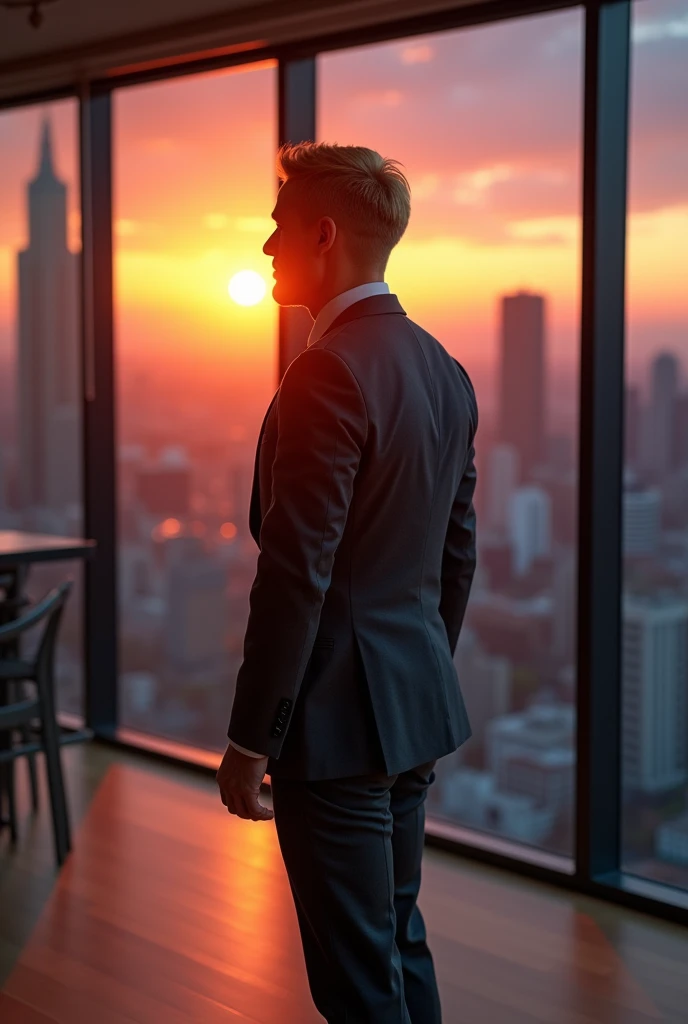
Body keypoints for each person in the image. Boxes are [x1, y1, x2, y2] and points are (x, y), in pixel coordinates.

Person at [216, 142, 478, 1024]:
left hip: (334, 730)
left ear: (324, 235)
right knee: (398, 941)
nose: (266, 248)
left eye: (280, 227)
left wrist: (253, 738)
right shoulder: (445, 369)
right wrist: (415, 673)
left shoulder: (328, 370)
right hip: (411, 711)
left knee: (357, 982)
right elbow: (456, 557)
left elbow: (296, 572)